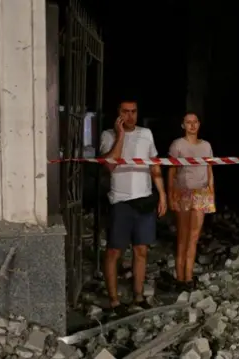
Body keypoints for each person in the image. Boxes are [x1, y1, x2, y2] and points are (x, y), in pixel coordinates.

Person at [100, 98, 167, 315]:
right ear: (118, 113)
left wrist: (163, 195)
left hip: (144, 200)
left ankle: (138, 295)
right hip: (120, 202)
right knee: (114, 251)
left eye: (134, 111)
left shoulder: (146, 134)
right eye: (125, 112)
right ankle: (114, 301)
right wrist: (120, 136)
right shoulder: (108, 136)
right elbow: (110, 165)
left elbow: (154, 166)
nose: (130, 116)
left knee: (141, 250)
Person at [167, 113, 216, 290]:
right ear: (183, 125)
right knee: (183, 236)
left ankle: (188, 277)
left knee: (194, 237)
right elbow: (172, 171)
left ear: (199, 124)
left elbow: (209, 169)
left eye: (195, 122)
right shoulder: (178, 145)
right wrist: (171, 195)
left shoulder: (206, 146)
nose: (192, 125)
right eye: (188, 122)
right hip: (183, 192)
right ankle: (179, 277)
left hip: (201, 192)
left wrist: (211, 190)